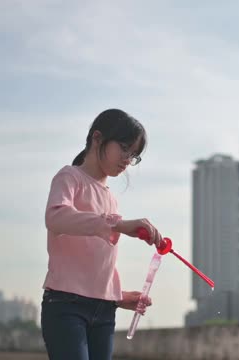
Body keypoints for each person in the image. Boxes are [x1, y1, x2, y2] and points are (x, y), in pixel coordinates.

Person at [41, 109, 163, 360]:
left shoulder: (111, 199)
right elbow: (55, 218)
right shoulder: (69, 177)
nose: (128, 160)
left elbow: (99, 261)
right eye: (125, 148)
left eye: (134, 155)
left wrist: (116, 297)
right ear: (97, 138)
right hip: (65, 306)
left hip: (104, 311)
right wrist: (116, 225)